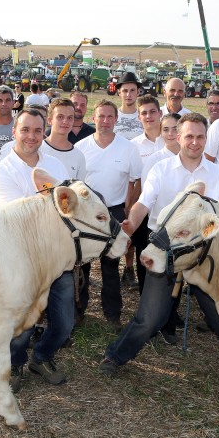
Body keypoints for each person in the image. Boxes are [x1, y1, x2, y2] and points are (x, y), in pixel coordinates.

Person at [99, 113, 219, 376]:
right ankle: (114, 356)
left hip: (203, 252)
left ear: (206, 139)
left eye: (200, 136)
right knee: (150, 318)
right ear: (178, 138)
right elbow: (143, 205)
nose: (194, 142)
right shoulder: (160, 169)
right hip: (164, 249)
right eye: (189, 136)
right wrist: (130, 225)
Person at [0, 109, 73, 392]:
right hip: (21, 261)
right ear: (14, 132)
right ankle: (15, 364)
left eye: (38, 131)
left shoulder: (57, 168)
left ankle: (42, 357)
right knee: (22, 324)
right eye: (25, 130)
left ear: (44, 132)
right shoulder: (2, 173)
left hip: (56, 259)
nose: (32, 136)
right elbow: (19, 220)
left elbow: (69, 213)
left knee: (64, 323)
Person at [75, 99, 142, 329]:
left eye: (110, 117)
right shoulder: (81, 148)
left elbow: (135, 181)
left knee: (111, 264)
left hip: (114, 210)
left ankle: (112, 313)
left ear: (116, 119)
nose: (105, 121)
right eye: (101, 116)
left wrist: (128, 207)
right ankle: (79, 309)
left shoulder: (128, 148)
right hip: (87, 213)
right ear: (93, 118)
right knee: (82, 263)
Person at [124, 94, 165, 291]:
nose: (148, 116)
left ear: (160, 113)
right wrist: (129, 208)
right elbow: (133, 181)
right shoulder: (133, 146)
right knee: (143, 251)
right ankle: (144, 296)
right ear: (139, 117)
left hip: (167, 209)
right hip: (144, 209)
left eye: (152, 112)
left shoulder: (172, 141)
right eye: (144, 113)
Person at [42, 97, 87, 179]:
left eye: (70, 118)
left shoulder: (78, 156)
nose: (65, 121)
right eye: (60, 117)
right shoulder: (37, 150)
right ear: (50, 120)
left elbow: (79, 189)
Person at [112, 72, 143, 139]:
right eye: (125, 91)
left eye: (132, 90)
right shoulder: (111, 117)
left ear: (138, 92)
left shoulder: (145, 117)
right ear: (119, 92)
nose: (128, 94)